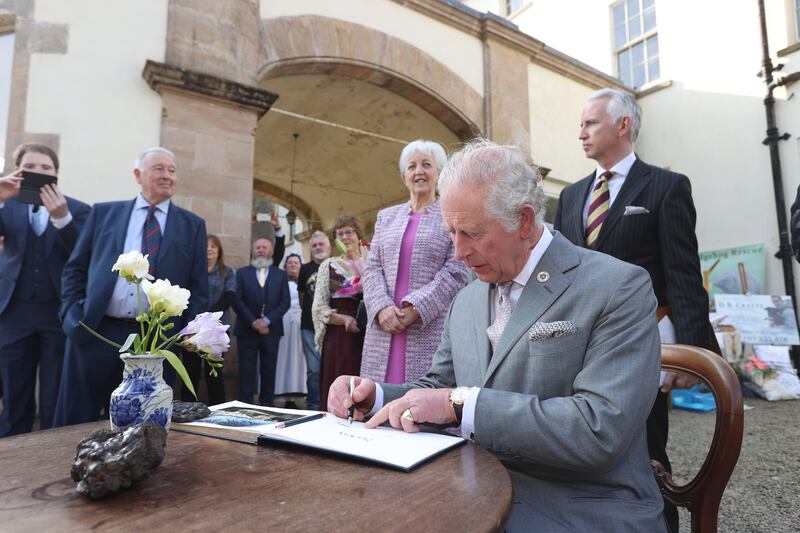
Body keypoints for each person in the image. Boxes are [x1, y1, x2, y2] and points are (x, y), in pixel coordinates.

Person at [328, 140, 666, 532]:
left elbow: (598, 430)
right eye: (450, 231)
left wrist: (461, 405)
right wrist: (377, 396)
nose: (457, 252)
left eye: (470, 232)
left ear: (523, 221)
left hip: (577, 505)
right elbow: (439, 385)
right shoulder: (468, 297)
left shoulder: (617, 286)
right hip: (471, 487)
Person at [553, 88, 710, 532]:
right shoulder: (570, 196)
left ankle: (657, 522)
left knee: (646, 446)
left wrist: (692, 353)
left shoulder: (665, 186)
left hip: (640, 343)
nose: (580, 132)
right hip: (574, 343)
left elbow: (682, 271)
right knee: (582, 442)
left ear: (623, 125)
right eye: (581, 124)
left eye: (590, 123)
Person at [54, 147, 208, 427]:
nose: (167, 176)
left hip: (154, 342)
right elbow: (75, 268)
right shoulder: (103, 214)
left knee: (143, 426)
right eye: (159, 169)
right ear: (138, 175)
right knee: (75, 422)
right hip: (95, 333)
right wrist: (72, 316)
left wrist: (187, 335)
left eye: (172, 170)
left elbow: (198, 287)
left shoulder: (192, 225)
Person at [0, 143, 90, 436]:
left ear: (57, 174)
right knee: (15, 396)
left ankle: (50, 458)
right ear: (18, 172)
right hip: (14, 312)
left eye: (45, 168)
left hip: (58, 314)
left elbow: (85, 255)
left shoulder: (78, 209)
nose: (38, 172)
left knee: (54, 397)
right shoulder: (7, 204)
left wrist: (62, 219)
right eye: (31, 167)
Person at [361, 140, 469, 385]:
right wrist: (381, 308)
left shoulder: (451, 214)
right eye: (411, 167)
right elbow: (372, 267)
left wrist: (416, 308)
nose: (419, 171)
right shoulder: (386, 217)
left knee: (420, 406)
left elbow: (456, 270)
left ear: (439, 174)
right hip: (384, 325)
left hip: (426, 326)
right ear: (404, 177)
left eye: (427, 165)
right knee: (377, 401)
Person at [312, 215, 366, 410]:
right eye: (339, 233)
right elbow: (318, 307)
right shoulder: (328, 266)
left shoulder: (372, 264)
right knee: (339, 383)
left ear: (358, 234)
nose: (344, 237)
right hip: (340, 335)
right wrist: (342, 319)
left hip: (369, 335)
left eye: (349, 232)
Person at [233, 238, 290, 406]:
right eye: (257, 247)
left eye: (265, 247)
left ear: (271, 251)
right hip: (246, 330)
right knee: (246, 372)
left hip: (271, 331)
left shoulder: (280, 275)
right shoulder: (242, 273)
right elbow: (237, 300)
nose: (261, 250)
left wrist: (266, 321)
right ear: (253, 251)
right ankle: (245, 406)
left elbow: (285, 302)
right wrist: (253, 322)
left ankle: (267, 407)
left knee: (269, 371)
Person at [181, 234, 234, 405]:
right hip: (193, 329)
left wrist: (207, 317)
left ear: (219, 251)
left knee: (215, 373)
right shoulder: (193, 271)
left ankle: (218, 408)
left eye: (213, 246)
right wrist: (196, 322)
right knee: (190, 371)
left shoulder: (227, 272)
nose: (209, 249)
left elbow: (230, 296)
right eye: (206, 246)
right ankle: (188, 407)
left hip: (215, 330)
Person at [297, 230, 330, 410]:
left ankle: (328, 405)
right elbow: (303, 297)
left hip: (331, 327)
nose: (318, 248)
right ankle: (313, 406)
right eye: (314, 245)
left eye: (321, 244)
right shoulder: (305, 269)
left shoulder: (336, 265)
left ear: (329, 246)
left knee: (330, 368)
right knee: (314, 370)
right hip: (309, 326)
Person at [274, 254, 306, 403]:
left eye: (296, 263)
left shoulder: (305, 284)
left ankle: (298, 389)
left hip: (301, 323)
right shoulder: (279, 283)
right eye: (290, 263)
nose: (293, 265)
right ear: (285, 266)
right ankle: (280, 389)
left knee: (299, 357)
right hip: (283, 323)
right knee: (283, 356)